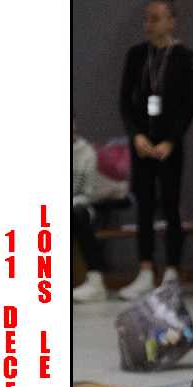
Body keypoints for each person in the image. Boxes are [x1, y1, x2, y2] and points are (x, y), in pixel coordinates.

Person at [118, 0, 193, 301]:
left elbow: (188, 105)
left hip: (168, 144)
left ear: (171, 22)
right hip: (142, 142)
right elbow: (125, 101)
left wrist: (171, 140)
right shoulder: (137, 55)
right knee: (145, 205)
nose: (148, 25)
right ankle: (145, 268)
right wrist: (135, 135)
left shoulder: (183, 57)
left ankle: (173, 269)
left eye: (155, 19)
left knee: (171, 204)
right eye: (146, 19)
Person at [71, 120, 107, 303]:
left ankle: (95, 281)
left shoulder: (87, 153)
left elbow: (89, 193)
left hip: (80, 207)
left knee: (77, 215)